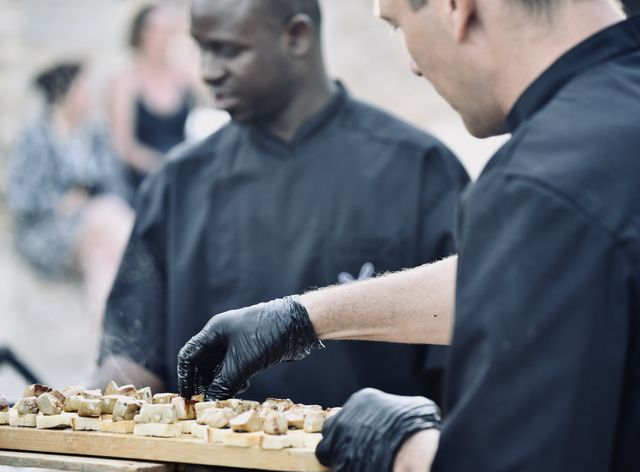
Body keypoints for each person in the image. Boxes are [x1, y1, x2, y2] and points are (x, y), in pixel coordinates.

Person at [177, 0, 640, 472]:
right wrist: (304, 317)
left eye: (398, 25)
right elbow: (552, 271)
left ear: (455, 7)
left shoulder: (539, 183)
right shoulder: (613, 132)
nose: (414, 65)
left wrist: (402, 450)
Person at [97, 0, 469, 407]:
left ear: (296, 36)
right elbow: (131, 355)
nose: (207, 70)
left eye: (228, 50)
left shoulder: (419, 170)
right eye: (200, 48)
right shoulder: (176, 184)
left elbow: (464, 368)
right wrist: (61, 410)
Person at [6, 62, 134, 327]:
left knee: (101, 259)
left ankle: (105, 339)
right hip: (47, 231)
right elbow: (18, 195)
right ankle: (144, 254)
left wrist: (89, 193)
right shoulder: (36, 136)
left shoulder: (95, 133)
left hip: (94, 226)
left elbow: (117, 184)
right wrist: (59, 203)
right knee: (107, 215)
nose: (91, 94)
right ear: (64, 93)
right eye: (84, 88)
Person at [108, 4, 201, 197]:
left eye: (169, 30)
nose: (164, 37)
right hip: (146, 179)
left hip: (186, 171)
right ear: (141, 33)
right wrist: (164, 165)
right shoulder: (125, 82)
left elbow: (216, 100)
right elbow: (124, 147)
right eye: (157, 30)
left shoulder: (183, 75)